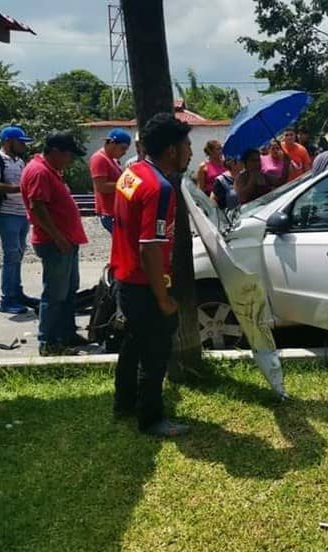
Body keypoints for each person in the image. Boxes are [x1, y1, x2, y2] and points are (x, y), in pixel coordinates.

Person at [110, 112, 193, 437]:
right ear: (172, 149)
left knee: (133, 343)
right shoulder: (160, 188)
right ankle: (151, 417)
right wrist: (163, 297)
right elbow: (149, 247)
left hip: (125, 276)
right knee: (155, 351)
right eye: (187, 145)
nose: (190, 152)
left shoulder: (132, 174)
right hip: (143, 283)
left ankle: (125, 402)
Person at [21, 131, 88, 356]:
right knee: (55, 294)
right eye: (68, 155)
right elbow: (37, 207)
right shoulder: (39, 171)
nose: (70, 160)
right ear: (56, 151)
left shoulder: (50, 170)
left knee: (69, 291)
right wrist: (58, 236)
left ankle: (66, 334)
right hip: (55, 243)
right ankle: (48, 343)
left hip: (66, 241)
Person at [0, 126, 39, 314]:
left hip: (21, 213)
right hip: (6, 214)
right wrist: (21, 189)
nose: (24, 145)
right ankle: (7, 299)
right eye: (21, 142)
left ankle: (17, 293)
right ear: (8, 141)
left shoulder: (19, 161)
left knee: (18, 255)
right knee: (11, 256)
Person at [90, 128, 131, 233]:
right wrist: (128, 184)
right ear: (112, 143)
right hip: (109, 212)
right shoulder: (99, 159)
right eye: (123, 148)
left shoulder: (112, 160)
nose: (124, 152)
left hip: (116, 211)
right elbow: (101, 186)